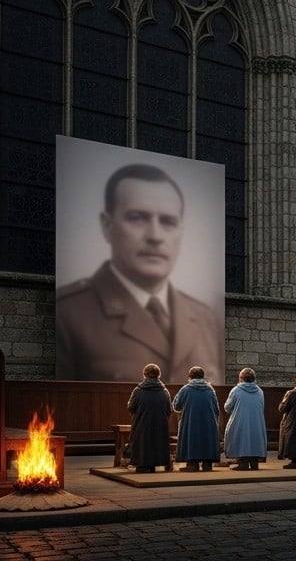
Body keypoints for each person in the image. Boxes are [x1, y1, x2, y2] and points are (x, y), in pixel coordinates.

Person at [56, 164, 224, 383]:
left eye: (168, 222)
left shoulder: (206, 320)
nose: (155, 235)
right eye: (137, 217)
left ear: (180, 232)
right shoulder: (68, 313)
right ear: (107, 226)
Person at [172, 364, 220, 472]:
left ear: (190, 377)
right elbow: (216, 409)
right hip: (208, 421)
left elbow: (176, 406)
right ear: (203, 377)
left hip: (191, 421)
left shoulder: (185, 389)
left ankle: (192, 464)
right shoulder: (210, 390)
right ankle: (207, 464)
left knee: (192, 438)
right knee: (206, 438)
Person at [126, 362, 172, 473]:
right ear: (158, 375)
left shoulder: (138, 390)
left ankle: (142, 465)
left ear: (145, 374)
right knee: (157, 442)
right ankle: (155, 464)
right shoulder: (164, 391)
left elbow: (131, 407)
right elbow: (168, 410)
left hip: (142, 423)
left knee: (142, 442)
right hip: (160, 424)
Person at [224, 367, 267, 470]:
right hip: (257, 421)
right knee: (254, 438)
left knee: (240, 437)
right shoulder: (260, 391)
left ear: (241, 378)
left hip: (240, 420)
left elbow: (227, 407)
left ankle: (243, 462)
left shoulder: (236, 390)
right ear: (254, 378)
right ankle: (254, 463)